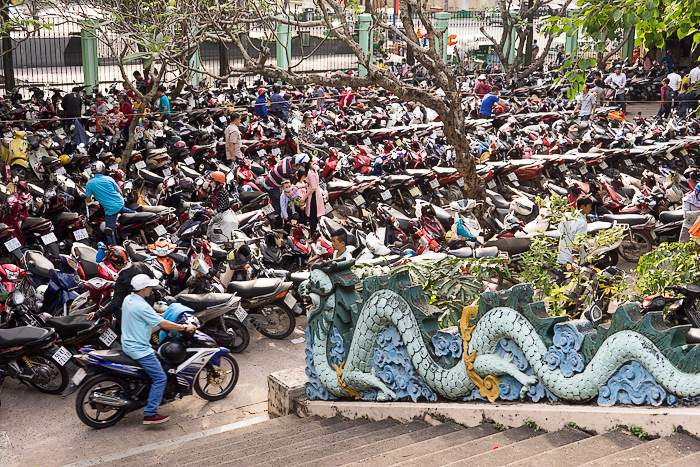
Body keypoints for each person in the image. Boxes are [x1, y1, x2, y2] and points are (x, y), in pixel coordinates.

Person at [121, 274, 196, 424]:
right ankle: (150, 413)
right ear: (143, 289)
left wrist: (159, 315)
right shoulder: (141, 305)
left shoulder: (129, 299)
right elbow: (164, 325)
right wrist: (184, 327)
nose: (151, 289)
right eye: (149, 287)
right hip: (139, 349)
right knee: (160, 378)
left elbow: (146, 316)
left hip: (127, 343)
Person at [86, 248, 155, 324]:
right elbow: (152, 279)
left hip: (136, 313)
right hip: (150, 302)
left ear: (113, 264)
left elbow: (115, 305)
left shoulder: (122, 280)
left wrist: (96, 314)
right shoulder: (141, 265)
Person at [85, 161, 133, 246]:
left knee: (109, 232)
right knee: (131, 214)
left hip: (111, 209)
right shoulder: (109, 178)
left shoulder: (89, 184)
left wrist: (93, 196)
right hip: (120, 203)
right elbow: (119, 191)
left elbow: (88, 200)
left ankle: (113, 248)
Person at [556, 197, 592, 285]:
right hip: (573, 261)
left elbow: (560, 231)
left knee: (559, 283)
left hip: (562, 257)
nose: (590, 209)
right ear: (582, 207)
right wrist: (575, 261)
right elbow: (578, 244)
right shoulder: (581, 222)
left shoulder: (566, 216)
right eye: (589, 207)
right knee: (580, 284)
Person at [264, 154, 306, 227]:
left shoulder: (289, 159)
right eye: (299, 165)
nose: (299, 167)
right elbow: (286, 188)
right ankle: (277, 226)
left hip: (277, 183)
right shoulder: (286, 170)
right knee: (279, 205)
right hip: (271, 186)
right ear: (294, 164)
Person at [206, 171, 238, 243]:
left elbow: (222, 206)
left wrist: (215, 211)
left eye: (212, 181)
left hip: (224, 215)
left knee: (221, 233)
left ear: (217, 182)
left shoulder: (223, 192)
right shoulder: (214, 191)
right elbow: (209, 200)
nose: (211, 182)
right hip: (218, 214)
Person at [301, 160, 325, 236]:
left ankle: (313, 235)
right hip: (315, 194)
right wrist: (299, 186)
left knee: (312, 217)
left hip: (314, 197)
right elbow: (309, 184)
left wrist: (304, 197)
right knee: (314, 216)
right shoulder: (312, 169)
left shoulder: (310, 173)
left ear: (304, 163)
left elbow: (313, 187)